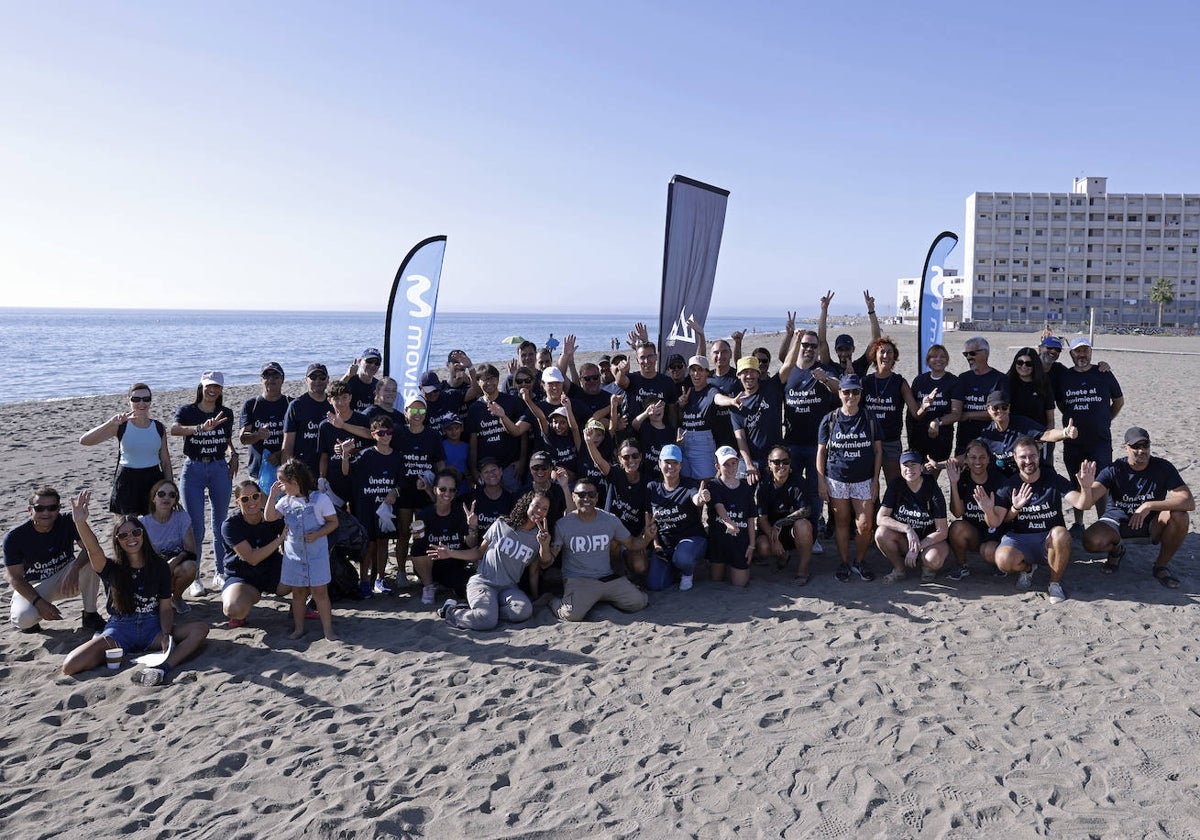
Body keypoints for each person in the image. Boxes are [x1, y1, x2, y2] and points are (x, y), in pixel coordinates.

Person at [61, 491, 208, 686]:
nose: (131, 538)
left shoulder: (159, 566)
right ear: (118, 541)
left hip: (152, 627)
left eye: (136, 532)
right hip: (120, 628)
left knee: (200, 629)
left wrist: (165, 634)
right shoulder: (111, 568)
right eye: (123, 535)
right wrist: (80, 522)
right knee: (70, 664)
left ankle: (163, 668)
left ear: (143, 535)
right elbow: (93, 549)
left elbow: (165, 607)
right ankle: (106, 647)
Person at [977, 437, 1092, 605]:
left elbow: (1083, 504)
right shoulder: (1009, 485)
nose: (1028, 461)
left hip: (1048, 539)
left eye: (1032, 456)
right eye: (1023, 457)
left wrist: (1086, 488)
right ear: (1015, 458)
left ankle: (1054, 583)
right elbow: (995, 522)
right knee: (1002, 559)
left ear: (1039, 456)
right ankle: (1028, 569)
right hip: (1020, 539)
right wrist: (991, 509)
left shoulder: (1052, 479)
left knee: (1061, 533)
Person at [1080, 426, 1194, 588]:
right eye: (1135, 446)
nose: (1141, 450)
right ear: (1125, 448)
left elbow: (1188, 501)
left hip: (1151, 524)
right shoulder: (1114, 469)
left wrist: (1149, 505)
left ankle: (1161, 565)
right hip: (1117, 523)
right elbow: (1087, 503)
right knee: (1091, 541)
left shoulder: (1162, 467)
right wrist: (1086, 488)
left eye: (1145, 445)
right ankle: (1117, 550)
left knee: (1180, 515)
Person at [438, 490, 555, 631]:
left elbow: (536, 569)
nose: (539, 511)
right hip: (484, 582)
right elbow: (479, 552)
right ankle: (450, 610)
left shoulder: (540, 537)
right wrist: (451, 553)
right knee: (486, 622)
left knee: (524, 611)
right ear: (527, 505)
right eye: (536, 505)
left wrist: (544, 545)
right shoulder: (502, 524)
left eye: (544, 509)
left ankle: (487, 611)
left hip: (509, 587)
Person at [170, 371, 237, 594]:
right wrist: (200, 428)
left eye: (217, 387)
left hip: (219, 467)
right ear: (201, 386)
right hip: (194, 469)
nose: (212, 390)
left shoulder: (226, 412)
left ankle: (220, 572)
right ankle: (195, 578)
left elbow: (226, 440)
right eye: (209, 386)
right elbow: (174, 429)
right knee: (195, 528)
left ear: (221, 390)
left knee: (221, 524)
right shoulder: (188, 411)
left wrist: (234, 454)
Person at [549, 478, 654, 621]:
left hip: (607, 578)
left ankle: (604, 597)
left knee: (639, 602)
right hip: (580, 580)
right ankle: (550, 599)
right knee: (572, 615)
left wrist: (647, 537)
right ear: (573, 497)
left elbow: (632, 544)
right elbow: (547, 561)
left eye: (591, 495)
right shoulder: (563, 525)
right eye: (581, 495)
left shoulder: (610, 520)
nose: (586, 498)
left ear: (597, 497)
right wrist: (543, 546)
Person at [1052, 337, 1124, 536]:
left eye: (1085, 350)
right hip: (1074, 441)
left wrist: (1106, 418)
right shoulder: (1064, 377)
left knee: (1101, 484)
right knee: (1076, 481)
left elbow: (1118, 400)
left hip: (1100, 441)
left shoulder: (1103, 373)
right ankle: (1078, 523)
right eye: (1077, 351)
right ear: (1071, 354)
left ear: (1090, 352)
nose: (1082, 354)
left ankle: (1103, 523)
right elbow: (1061, 404)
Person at [5, 486, 103, 631]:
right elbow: (15, 578)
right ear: (29, 510)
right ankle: (32, 620)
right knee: (24, 619)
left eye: (52, 508)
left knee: (92, 561)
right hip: (35, 584)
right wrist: (39, 603)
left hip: (67, 577)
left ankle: (90, 615)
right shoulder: (15, 537)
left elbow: (92, 548)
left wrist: (75, 568)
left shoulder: (69, 521)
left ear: (58, 508)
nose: (46, 513)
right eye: (39, 508)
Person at [817, 374, 882, 583]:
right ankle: (844, 562)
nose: (851, 396)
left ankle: (859, 561)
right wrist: (821, 481)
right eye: (847, 392)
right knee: (842, 522)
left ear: (861, 394)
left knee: (864, 525)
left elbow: (878, 451)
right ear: (839, 393)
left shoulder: (870, 418)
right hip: (837, 479)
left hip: (863, 479)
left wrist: (876, 479)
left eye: (855, 392)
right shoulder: (830, 419)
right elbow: (821, 452)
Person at [265, 460, 339, 640]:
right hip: (294, 555)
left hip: (316, 555)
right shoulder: (285, 502)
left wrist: (318, 534)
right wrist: (272, 496)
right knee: (298, 592)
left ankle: (328, 630)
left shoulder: (320, 499)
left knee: (320, 592)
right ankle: (299, 628)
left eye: (282, 482)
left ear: (295, 482)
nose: (280, 486)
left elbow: (334, 523)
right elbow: (269, 517)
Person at [780, 328, 839, 554]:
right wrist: (794, 339)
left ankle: (812, 534)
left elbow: (840, 387)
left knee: (816, 492)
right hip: (792, 444)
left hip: (817, 447)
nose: (809, 349)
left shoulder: (823, 371)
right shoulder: (789, 372)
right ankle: (789, 532)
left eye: (813, 346)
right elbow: (783, 366)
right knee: (790, 489)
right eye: (805, 344)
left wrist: (825, 380)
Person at [79, 382, 172, 517]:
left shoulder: (158, 427)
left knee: (153, 527)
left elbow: (165, 463)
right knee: (125, 529)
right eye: (136, 399)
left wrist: (170, 490)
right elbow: (85, 441)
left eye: (146, 399)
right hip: (127, 480)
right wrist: (110, 422)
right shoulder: (120, 426)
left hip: (153, 479)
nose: (141, 403)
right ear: (128, 400)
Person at [340, 415, 405, 596]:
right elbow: (346, 472)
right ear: (373, 434)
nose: (385, 436)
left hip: (385, 509)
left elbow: (401, 484)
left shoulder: (398, 457)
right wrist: (345, 455)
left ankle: (380, 579)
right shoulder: (366, 455)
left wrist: (395, 492)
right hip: (366, 507)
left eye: (389, 432)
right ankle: (364, 581)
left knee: (383, 543)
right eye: (381, 432)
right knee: (368, 546)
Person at [390, 394, 446, 588]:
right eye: (412, 410)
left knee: (422, 533)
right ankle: (401, 572)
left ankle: (423, 572)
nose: (417, 414)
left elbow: (440, 464)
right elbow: (373, 434)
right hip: (403, 491)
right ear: (405, 413)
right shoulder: (397, 433)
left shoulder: (432, 435)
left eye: (421, 410)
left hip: (425, 492)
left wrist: (440, 488)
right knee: (403, 533)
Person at [220, 480, 289, 628]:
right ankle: (241, 609)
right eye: (245, 499)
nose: (251, 501)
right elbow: (252, 558)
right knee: (234, 609)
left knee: (305, 571)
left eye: (255, 496)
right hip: (243, 575)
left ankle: (301, 607)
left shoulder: (271, 516)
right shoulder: (230, 525)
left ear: (261, 497)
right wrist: (281, 539)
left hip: (271, 569)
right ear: (238, 502)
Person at [874, 452, 950, 583]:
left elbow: (942, 531)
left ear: (921, 468)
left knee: (933, 559)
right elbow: (881, 518)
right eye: (906, 466)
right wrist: (907, 529)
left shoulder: (932, 488)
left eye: (914, 465)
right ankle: (899, 569)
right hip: (905, 539)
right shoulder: (896, 485)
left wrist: (918, 546)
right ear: (900, 468)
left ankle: (927, 568)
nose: (910, 469)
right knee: (881, 533)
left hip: (930, 540)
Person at [645, 444, 709, 592]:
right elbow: (649, 519)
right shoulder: (652, 487)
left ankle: (687, 572)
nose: (671, 467)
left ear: (681, 465)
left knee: (683, 557)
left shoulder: (689, 485)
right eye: (667, 462)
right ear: (660, 463)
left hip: (691, 539)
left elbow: (696, 499)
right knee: (656, 585)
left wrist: (701, 498)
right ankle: (676, 567)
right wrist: (656, 545)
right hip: (666, 545)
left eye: (675, 463)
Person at [410, 470, 479, 605]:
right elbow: (418, 548)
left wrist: (472, 526)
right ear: (435, 490)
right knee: (417, 546)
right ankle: (428, 586)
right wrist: (416, 534)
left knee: (466, 588)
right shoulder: (425, 514)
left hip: (454, 563)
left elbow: (472, 545)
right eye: (443, 489)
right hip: (430, 565)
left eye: (452, 490)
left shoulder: (460, 512)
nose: (447, 493)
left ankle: (447, 586)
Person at [587, 437, 650, 579]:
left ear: (641, 457)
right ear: (620, 459)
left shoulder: (647, 483)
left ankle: (625, 567)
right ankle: (614, 573)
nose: (631, 460)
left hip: (632, 538)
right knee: (613, 541)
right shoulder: (615, 474)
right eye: (626, 457)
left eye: (635, 456)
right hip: (609, 535)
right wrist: (590, 442)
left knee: (640, 567)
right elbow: (599, 461)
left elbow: (648, 515)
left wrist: (642, 540)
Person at [976, 390, 1077, 476]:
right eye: (995, 408)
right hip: (1003, 481)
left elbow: (1047, 434)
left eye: (1004, 407)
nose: (1000, 410)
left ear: (1009, 408)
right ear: (988, 409)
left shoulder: (1022, 424)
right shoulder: (987, 433)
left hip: (1028, 475)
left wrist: (1065, 433)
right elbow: (973, 452)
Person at [861, 336, 920, 484]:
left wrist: (924, 407)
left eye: (890, 352)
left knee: (894, 485)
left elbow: (916, 413)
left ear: (894, 357)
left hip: (891, 441)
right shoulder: (866, 382)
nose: (886, 356)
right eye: (882, 352)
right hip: (869, 441)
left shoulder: (899, 382)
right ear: (875, 355)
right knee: (869, 485)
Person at [944, 439, 1004, 579]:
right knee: (957, 527)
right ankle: (962, 565)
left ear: (989, 459)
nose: (978, 461)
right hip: (974, 532)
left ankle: (1000, 563)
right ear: (966, 460)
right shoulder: (962, 479)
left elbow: (1000, 520)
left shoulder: (999, 480)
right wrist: (953, 484)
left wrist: (988, 509)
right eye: (973, 457)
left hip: (996, 533)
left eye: (982, 457)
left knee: (989, 551)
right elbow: (957, 513)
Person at [756, 445, 816, 583]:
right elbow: (762, 518)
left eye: (785, 461)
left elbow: (806, 510)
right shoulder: (764, 485)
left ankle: (803, 569)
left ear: (790, 463)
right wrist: (774, 539)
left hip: (794, 532)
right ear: (769, 464)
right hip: (771, 531)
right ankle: (783, 556)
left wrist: (780, 523)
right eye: (776, 462)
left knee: (803, 525)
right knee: (763, 547)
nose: (781, 465)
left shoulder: (798, 481)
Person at [467, 363, 531, 492]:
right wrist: (473, 469)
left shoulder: (512, 402)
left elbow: (523, 434)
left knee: (514, 500)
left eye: (491, 378)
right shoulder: (475, 408)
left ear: (497, 379)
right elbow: (473, 441)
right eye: (484, 379)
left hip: (511, 465)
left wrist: (522, 461)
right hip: (487, 467)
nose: (488, 383)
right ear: (478, 382)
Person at [138, 479, 199, 613]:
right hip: (151, 568)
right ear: (153, 498)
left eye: (172, 495)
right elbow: (139, 556)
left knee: (191, 567)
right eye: (161, 494)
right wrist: (163, 567)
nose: (166, 498)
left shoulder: (182, 517)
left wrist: (173, 562)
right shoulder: (142, 523)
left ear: (175, 499)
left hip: (175, 565)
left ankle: (176, 599)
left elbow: (191, 551)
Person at [707, 446, 758, 587]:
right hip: (719, 541)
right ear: (717, 466)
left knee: (740, 583)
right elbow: (719, 506)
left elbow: (750, 518)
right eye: (725, 464)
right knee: (716, 580)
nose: (730, 468)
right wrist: (728, 522)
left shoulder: (745, 487)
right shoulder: (713, 485)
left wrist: (752, 545)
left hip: (739, 541)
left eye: (733, 463)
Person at [947, 337, 1007, 456]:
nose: (969, 357)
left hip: (991, 440)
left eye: (972, 353)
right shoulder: (963, 378)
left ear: (985, 353)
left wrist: (968, 415)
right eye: (966, 354)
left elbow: (1001, 413)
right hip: (965, 440)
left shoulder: (1000, 379)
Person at [239, 362, 291, 491]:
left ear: (282, 379)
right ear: (261, 379)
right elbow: (243, 438)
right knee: (260, 508)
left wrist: (281, 454)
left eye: (275, 376)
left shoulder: (291, 403)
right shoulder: (252, 405)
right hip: (258, 470)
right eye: (266, 376)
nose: (271, 379)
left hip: (287, 469)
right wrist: (258, 435)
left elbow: (300, 438)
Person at [907, 344, 958, 469]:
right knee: (919, 474)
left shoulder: (953, 381)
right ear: (928, 361)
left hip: (941, 437)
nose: (938, 359)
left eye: (942, 356)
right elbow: (912, 412)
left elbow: (956, 413)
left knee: (931, 473)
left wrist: (937, 422)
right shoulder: (919, 380)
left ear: (947, 360)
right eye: (934, 357)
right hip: (919, 436)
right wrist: (924, 406)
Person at [281, 363, 332, 475]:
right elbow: (288, 444)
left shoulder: (333, 404)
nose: (318, 381)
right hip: (303, 470)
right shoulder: (297, 405)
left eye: (322, 377)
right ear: (306, 380)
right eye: (313, 377)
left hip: (329, 469)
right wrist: (287, 473)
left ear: (328, 379)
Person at [817, 289, 880, 378]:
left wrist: (871, 310)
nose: (844, 353)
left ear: (853, 349)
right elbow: (821, 342)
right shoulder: (830, 366)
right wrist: (824, 310)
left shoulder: (860, 366)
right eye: (840, 350)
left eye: (847, 349)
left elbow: (876, 340)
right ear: (836, 350)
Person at [677, 355, 721, 480]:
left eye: (700, 370)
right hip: (683, 440)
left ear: (707, 372)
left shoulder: (711, 390)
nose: (696, 373)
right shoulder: (686, 391)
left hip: (702, 441)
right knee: (685, 480)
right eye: (693, 370)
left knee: (705, 481)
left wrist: (732, 401)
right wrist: (680, 405)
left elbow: (718, 399)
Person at [1006, 347, 1055, 429]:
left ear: (1035, 365)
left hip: (1038, 434)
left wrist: (1048, 438)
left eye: (1028, 363)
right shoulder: (1007, 383)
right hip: (1014, 435)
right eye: (1020, 362)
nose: (1024, 366)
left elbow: (1050, 418)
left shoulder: (1043, 383)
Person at [341, 348, 381, 413]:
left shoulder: (377, 385)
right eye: (369, 361)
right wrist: (347, 375)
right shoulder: (349, 380)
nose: (373, 365)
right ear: (360, 361)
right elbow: (333, 392)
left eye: (377, 363)